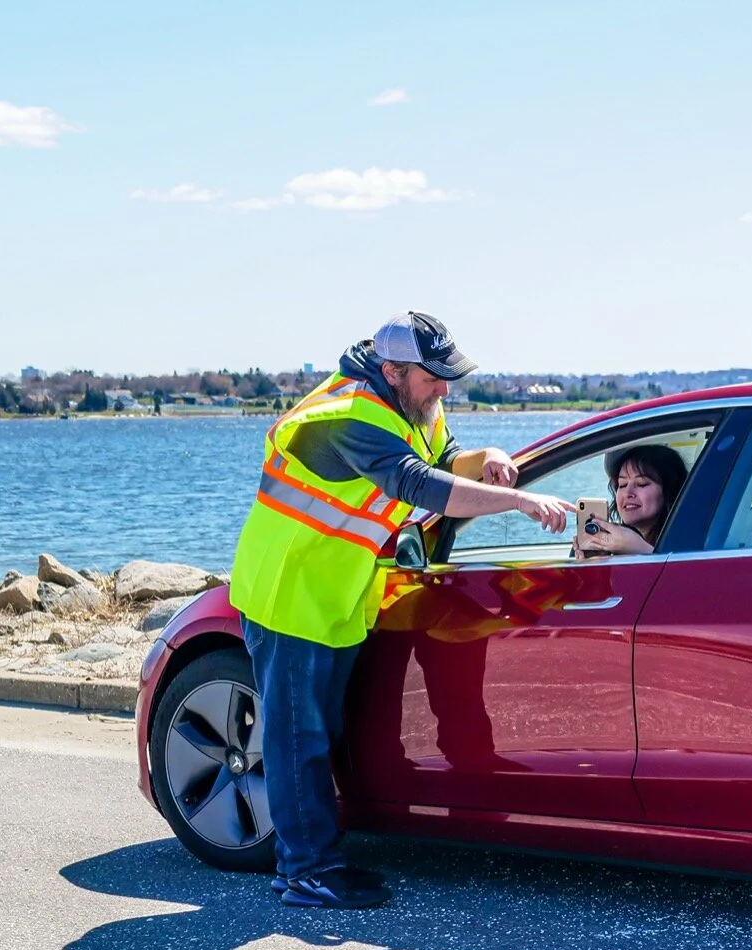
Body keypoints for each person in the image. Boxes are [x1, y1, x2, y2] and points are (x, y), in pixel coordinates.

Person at [229, 311, 575, 909]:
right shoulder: (344, 419)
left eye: (449, 377)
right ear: (392, 371)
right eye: (433, 378)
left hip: (335, 594)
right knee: (297, 738)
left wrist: (489, 453)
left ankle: (318, 858)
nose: (445, 389)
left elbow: (446, 459)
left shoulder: (413, 404)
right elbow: (419, 485)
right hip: (287, 594)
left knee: (322, 732)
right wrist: (515, 501)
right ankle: (306, 871)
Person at [573, 443, 688, 557]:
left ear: (668, 490)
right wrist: (599, 562)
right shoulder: (615, 544)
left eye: (641, 484)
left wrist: (642, 550)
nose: (628, 493)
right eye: (622, 485)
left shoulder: (692, 541)